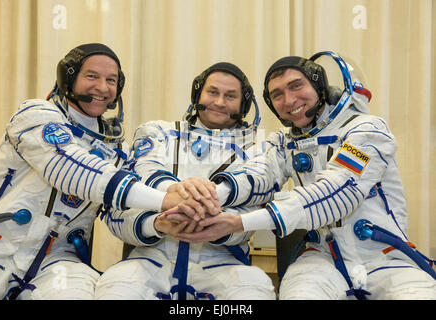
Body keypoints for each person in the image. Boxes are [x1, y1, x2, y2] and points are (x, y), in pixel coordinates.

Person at [166, 52, 436, 300]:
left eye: (296, 86)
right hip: (322, 260)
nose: (289, 100)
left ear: (320, 87)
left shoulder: (367, 131)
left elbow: (336, 193)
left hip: (385, 259)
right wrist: (209, 197)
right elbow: (256, 176)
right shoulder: (282, 143)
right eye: (277, 95)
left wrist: (239, 222)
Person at [0, 43, 212, 300]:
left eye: (111, 80)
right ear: (68, 78)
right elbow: (68, 167)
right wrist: (164, 200)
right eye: (92, 76)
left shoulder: (116, 150)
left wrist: (157, 223)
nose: (103, 88)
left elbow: (119, 215)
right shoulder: (35, 115)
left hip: (58, 261)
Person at [94, 62, 276, 300]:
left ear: (243, 104)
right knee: (115, 292)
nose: (220, 102)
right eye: (212, 92)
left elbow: (250, 208)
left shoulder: (258, 147)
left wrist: (215, 221)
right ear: (197, 93)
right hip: (152, 257)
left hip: (221, 260)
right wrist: (167, 205)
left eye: (230, 96)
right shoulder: (159, 132)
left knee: (255, 292)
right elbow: (141, 179)